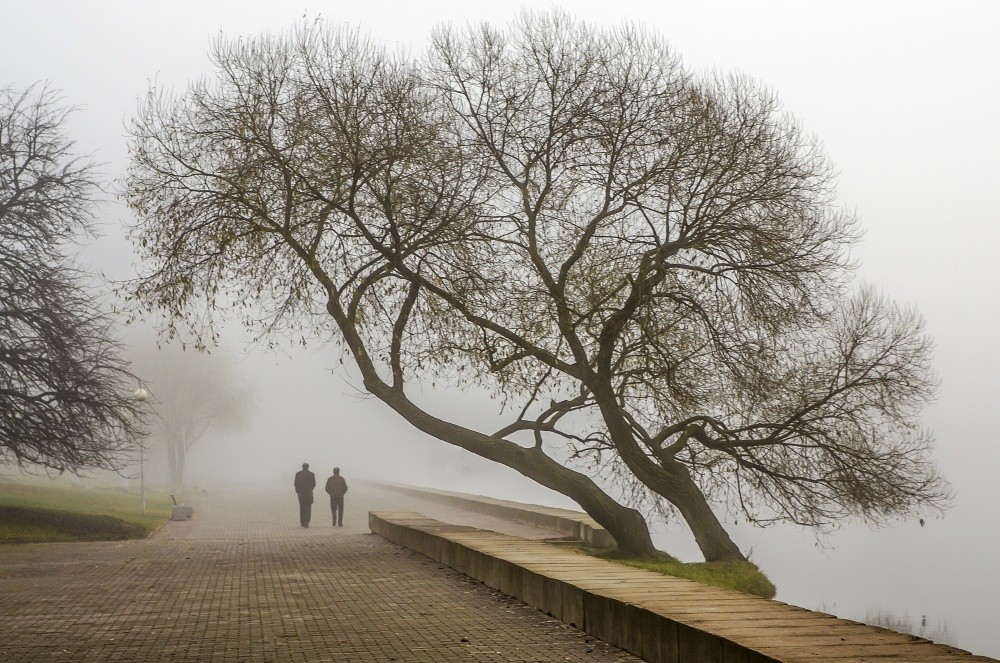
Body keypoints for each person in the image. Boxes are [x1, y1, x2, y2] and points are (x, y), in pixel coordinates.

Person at [293, 462, 316, 527]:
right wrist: (310, 489)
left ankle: (302, 522)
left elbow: (295, 484)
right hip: (309, 493)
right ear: (308, 467)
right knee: (308, 509)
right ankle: (307, 523)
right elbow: (314, 484)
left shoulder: (298, 474)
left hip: (301, 494)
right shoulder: (311, 474)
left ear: (302, 467)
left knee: (302, 508)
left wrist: (298, 491)